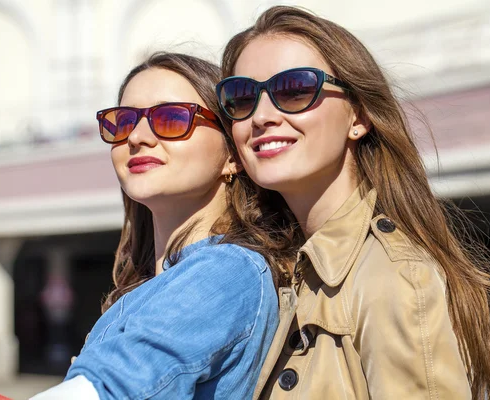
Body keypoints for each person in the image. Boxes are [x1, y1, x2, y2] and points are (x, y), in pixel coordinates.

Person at [217, 6, 490, 400]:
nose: (262, 115)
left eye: (295, 89)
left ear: (359, 116)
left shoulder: (393, 278)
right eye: (242, 96)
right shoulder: (274, 271)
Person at [32, 52, 297, 400]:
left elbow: (112, 390)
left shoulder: (227, 270)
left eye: (171, 118)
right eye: (123, 121)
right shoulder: (166, 281)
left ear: (232, 154)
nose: (137, 137)